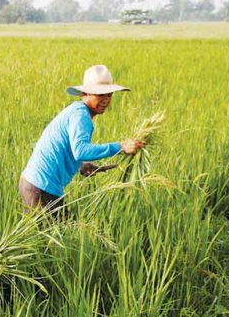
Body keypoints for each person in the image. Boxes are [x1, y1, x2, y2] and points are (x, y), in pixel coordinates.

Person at [20, 64, 145, 210]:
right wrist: (121, 146)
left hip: (32, 183)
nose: (106, 100)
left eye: (109, 94)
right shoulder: (81, 115)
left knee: (53, 230)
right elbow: (80, 150)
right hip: (41, 188)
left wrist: (80, 164)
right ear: (85, 93)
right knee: (63, 231)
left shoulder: (76, 111)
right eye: (100, 94)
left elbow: (66, 147)